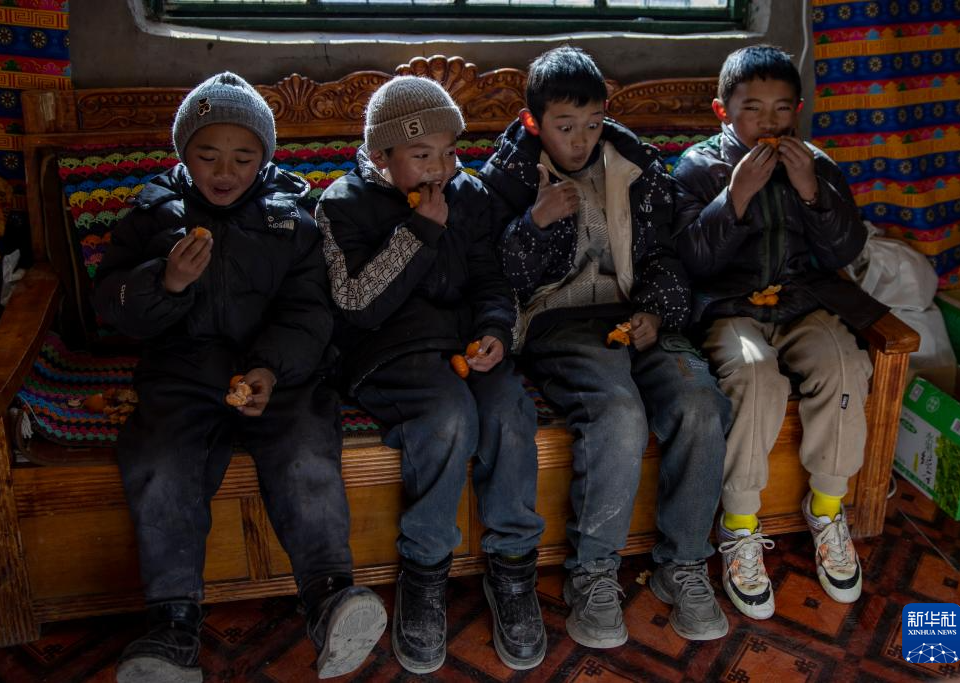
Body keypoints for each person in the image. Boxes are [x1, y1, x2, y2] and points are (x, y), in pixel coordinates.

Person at [93, 72, 386, 682]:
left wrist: (271, 369)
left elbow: (310, 309)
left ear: (265, 158)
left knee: (305, 450)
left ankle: (329, 597)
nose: (224, 172)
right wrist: (166, 283)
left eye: (243, 158)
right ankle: (172, 625)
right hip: (182, 374)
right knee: (161, 460)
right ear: (183, 152)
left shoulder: (292, 218)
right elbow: (111, 303)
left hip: (276, 376)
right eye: (207, 155)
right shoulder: (152, 213)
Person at [480, 46, 732, 645]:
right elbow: (494, 278)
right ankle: (592, 572)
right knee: (619, 413)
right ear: (533, 121)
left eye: (592, 124)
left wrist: (655, 312)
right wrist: (534, 225)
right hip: (559, 324)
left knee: (700, 402)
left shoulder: (636, 166)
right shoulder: (507, 177)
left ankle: (683, 562)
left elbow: (665, 256)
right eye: (565, 127)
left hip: (636, 316)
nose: (580, 140)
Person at [315, 75, 547, 674]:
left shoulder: (468, 194)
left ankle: (512, 569)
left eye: (448, 152)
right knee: (448, 418)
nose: (441, 169)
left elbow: (491, 279)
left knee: (509, 412)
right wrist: (420, 231)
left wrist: (495, 331)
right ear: (380, 155)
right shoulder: (341, 205)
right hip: (386, 354)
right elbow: (356, 304)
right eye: (422, 156)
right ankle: (423, 572)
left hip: (464, 345)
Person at [671, 45, 888, 621]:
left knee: (844, 362)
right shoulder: (696, 168)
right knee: (755, 374)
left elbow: (844, 250)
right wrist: (735, 196)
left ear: (799, 110)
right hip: (730, 307)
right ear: (723, 111)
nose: (768, 123)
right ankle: (740, 522)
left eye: (781, 109)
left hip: (802, 300)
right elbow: (691, 262)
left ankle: (828, 507)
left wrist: (812, 191)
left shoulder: (815, 164)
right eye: (752, 109)